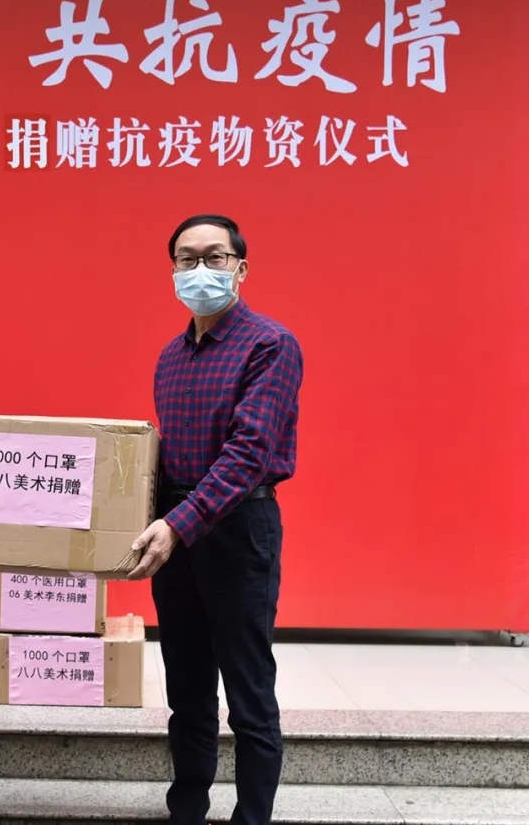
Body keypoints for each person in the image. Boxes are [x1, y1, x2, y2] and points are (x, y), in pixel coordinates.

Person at [127, 214, 303, 825]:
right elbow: (164, 455)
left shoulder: (270, 344)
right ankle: (187, 811)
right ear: (172, 269)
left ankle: (252, 816)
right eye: (187, 258)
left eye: (215, 257)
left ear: (241, 267)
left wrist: (178, 523)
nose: (200, 269)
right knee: (187, 687)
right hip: (176, 530)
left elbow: (248, 452)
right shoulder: (170, 357)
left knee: (248, 690)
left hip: (237, 527)